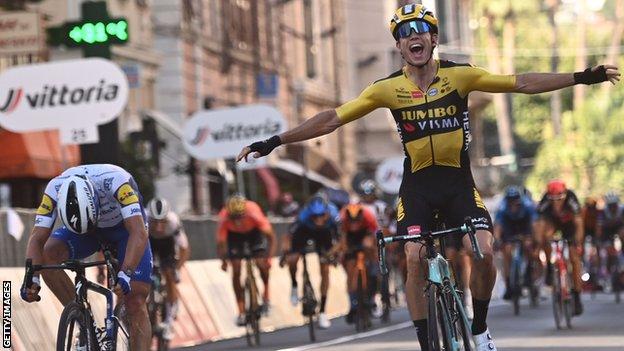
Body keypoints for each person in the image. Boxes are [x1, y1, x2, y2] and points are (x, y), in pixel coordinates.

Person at [237, 3, 619, 349]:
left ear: (433, 39)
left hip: (458, 183)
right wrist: (276, 140)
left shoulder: (460, 77)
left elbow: (519, 82)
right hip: (417, 186)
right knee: (414, 257)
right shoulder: (386, 88)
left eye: (420, 29)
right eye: (403, 33)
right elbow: (332, 119)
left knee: (484, 251)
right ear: (399, 48)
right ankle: (425, 342)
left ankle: (481, 329)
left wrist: (582, 77)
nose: (412, 36)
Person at [20, 164, 153, 350]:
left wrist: (126, 273)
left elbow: (138, 232)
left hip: (124, 230)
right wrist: (31, 277)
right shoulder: (54, 188)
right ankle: (82, 321)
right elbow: (37, 238)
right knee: (47, 254)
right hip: (84, 232)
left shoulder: (116, 182)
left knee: (135, 299)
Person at [217, 194, 276, 326]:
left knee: (261, 263)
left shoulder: (253, 212)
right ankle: (241, 311)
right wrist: (224, 261)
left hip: (254, 233)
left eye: (240, 217)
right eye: (234, 218)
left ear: (244, 212)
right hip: (235, 237)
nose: (237, 221)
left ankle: (266, 297)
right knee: (236, 269)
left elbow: (271, 237)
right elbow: (221, 243)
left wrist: (269, 258)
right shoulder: (224, 217)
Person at [282, 195, 340, 329]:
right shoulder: (303, 216)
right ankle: (294, 286)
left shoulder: (333, 216)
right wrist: (286, 252)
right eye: (315, 217)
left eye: (321, 216)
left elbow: (340, 240)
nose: (319, 219)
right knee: (293, 259)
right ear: (310, 214)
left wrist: (333, 254)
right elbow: (288, 237)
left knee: (325, 269)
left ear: (326, 213)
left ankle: (323, 312)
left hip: (324, 236)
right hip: (305, 232)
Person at [535, 180, 584, 315]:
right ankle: (551, 269)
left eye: (559, 199)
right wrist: (540, 242)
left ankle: (577, 295)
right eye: (553, 199)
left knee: (574, 258)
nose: (556, 203)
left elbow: (579, 223)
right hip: (554, 223)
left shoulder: (571, 199)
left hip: (570, 226)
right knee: (545, 236)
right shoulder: (545, 201)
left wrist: (577, 241)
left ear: (565, 195)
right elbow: (540, 223)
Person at [146, 197, 190, 340]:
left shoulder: (173, 222)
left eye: (162, 222)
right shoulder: (143, 219)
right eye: (154, 222)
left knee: (170, 274)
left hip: (167, 245)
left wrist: (177, 268)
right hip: (149, 242)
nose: (158, 227)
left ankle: (169, 320)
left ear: (167, 218)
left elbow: (184, 249)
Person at [493, 186, 537, 300]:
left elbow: (534, 224)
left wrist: (532, 238)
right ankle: (509, 285)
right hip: (509, 227)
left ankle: (529, 271)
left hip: (524, 225)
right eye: (510, 202)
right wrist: (497, 240)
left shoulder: (527, 206)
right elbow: (498, 226)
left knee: (528, 246)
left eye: (515, 202)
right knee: (507, 252)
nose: (513, 205)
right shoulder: (503, 208)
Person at [337, 203, 379, 323]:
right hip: (351, 238)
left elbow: (374, 238)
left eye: (357, 221)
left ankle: (372, 296)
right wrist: (345, 252)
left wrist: (374, 255)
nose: (354, 224)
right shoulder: (343, 220)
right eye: (352, 222)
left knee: (368, 246)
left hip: (365, 234)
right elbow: (343, 242)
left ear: (361, 218)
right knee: (350, 267)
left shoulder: (369, 218)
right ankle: (353, 304)